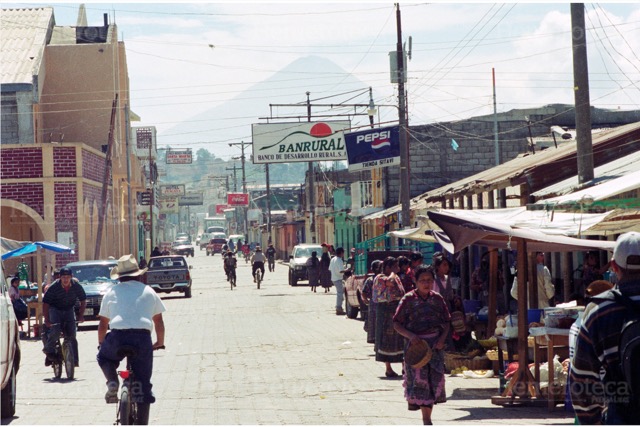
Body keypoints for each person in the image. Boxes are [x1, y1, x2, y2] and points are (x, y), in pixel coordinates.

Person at [570, 232, 640, 425]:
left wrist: (592, 421)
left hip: (621, 415)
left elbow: (581, 380)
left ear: (614, 267)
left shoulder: (599, 311)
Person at [97, 254, 165, 413]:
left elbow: (102, 325)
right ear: (138, 274)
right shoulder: (149, 291)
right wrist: (159, 342)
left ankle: (113, 381)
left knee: (104, 357)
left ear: (119, 277)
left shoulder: (111, 292)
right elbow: (159, 322)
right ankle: (145, 395)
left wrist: (102, 344)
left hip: (117, 337)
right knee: (143, 379)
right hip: (142, 338)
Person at [393, 265, 451, 425]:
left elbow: (447, 321)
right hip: (416, 349)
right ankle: (426, 420)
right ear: (415, 282)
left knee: (433, 383)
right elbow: (396, 323)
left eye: (429, 280)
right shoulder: (408, 300)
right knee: (420, 383)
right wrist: (411, 336)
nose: (426, 283)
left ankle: (427, 418)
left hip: (435, 348)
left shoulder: (438, 299)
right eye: (423, 281)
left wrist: (441, 340)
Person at [42, 267, 86, 367]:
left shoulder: (76, 286)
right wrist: (47, 320)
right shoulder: (54, 287)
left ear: (71, 277)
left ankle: (74, 360)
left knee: (72, 334)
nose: (65, 279)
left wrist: (81, 315)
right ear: (60, 278)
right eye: (63, 277)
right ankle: (48, 349)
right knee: (56, 330)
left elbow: (83, 300)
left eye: (68, 277)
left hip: (69, 309)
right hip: (55, 309)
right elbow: (46, 304)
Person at [372, 256, 405, 377]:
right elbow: (389, 283)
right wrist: (392, 273)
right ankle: (388, 368)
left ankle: (404, 366)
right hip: (386, 311)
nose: (397, 268)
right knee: (387, 339)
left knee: (401, 338)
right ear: (388, 267)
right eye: (395, 266)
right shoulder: (380, 278)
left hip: (397, 309)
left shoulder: (396, 277)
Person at [362, 260, 383, 344]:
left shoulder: (370, 280)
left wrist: (367, 302)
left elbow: (364, 294)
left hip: (373, 304)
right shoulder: (373, 280)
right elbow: (364, 293)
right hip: (376, 305)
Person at [329, 247, 346, 315]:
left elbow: (330, 269)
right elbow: (341, 271)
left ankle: (339, 307)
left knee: (340, 293)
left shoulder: (333, 259)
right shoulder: (339, 260)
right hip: (338, 279)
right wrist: (347, 269)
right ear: (341, 253)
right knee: (340, 294)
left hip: (333, 278)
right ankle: (338, 308)